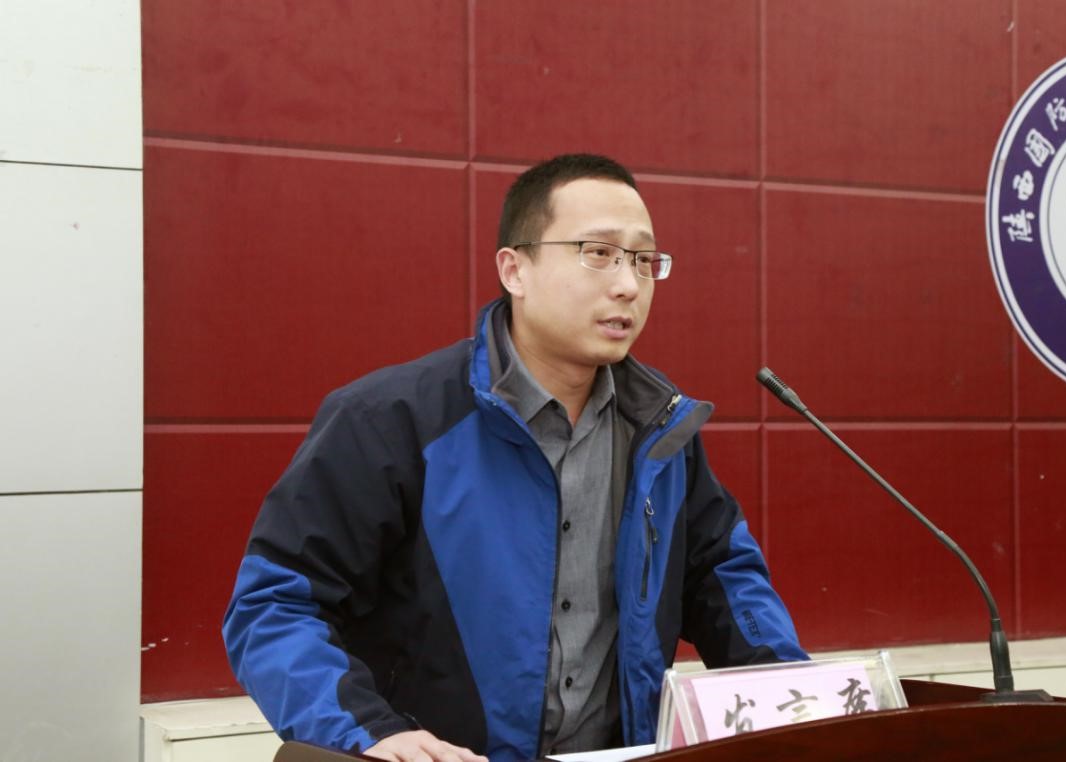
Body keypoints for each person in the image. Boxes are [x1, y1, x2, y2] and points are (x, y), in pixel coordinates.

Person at [222, 154, 806, 762]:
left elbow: (723, 579)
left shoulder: (660, 429)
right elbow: (274, 608)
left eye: (642, 260)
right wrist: (371, 733)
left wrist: (800, 704)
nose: (628, 285)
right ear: (515, 269)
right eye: (599, 252)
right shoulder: (390, 421)